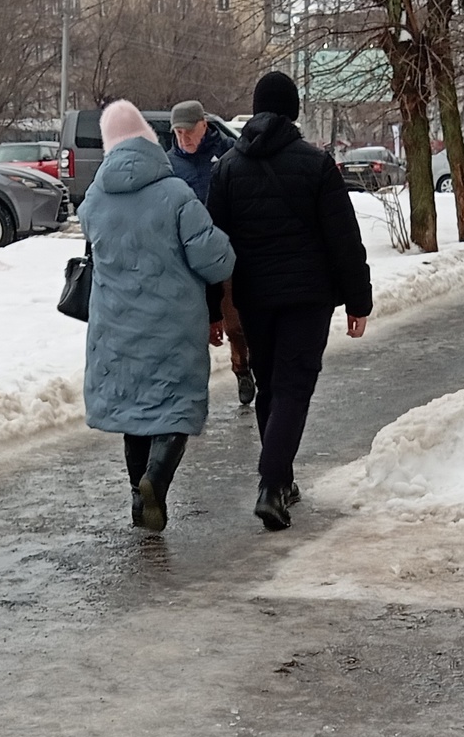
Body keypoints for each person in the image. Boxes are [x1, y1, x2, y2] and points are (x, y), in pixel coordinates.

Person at [206, 70, 373, 532]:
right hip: (307, 297)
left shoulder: (227, 169)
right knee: (294, 387)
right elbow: (344, 239)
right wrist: (359, 300)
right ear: (294, 110)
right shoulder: (316, 165)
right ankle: (271, 484)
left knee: (271, 385)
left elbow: (211, 247)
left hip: (253, 296)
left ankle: (281, 480)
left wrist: (211, 310)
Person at [79, 98, 237, 533]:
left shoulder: (96, 195)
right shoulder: (175, 194)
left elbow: (89, 231)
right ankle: (155, 481)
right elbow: (216, 261)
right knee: (174, 410)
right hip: (172, 327)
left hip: (116, 327)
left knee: (136, 416)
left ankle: (139, 500)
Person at [165, 98, 254, 410]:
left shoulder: (231, 152)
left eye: (189, 131)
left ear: (204, 124)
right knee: (190, 328)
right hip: (187, 260)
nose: (184, 139)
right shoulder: (168, 164)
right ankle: (188, 391)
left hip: (225, 253)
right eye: (177, 133)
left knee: (234, 322)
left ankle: (242, 368)